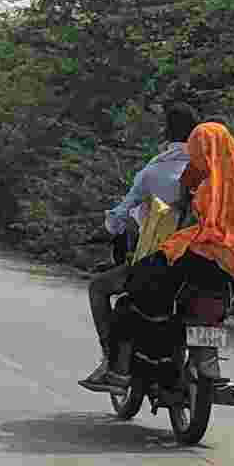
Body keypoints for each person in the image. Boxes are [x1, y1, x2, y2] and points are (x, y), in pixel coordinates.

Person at [89, 118, 234, 391]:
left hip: (201, 257)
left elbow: (191, 221)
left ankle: (119, 370)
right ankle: (204, 360)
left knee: (135, 292)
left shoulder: (204, 182)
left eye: (197, 149)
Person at [80, 103, 202, 391]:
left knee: (99, 287)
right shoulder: (214, 170)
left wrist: (102, 231)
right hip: (207, 265)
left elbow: (121, 215)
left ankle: (112, 363)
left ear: (166, 131)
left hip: (160, 261)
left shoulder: (154, 171)